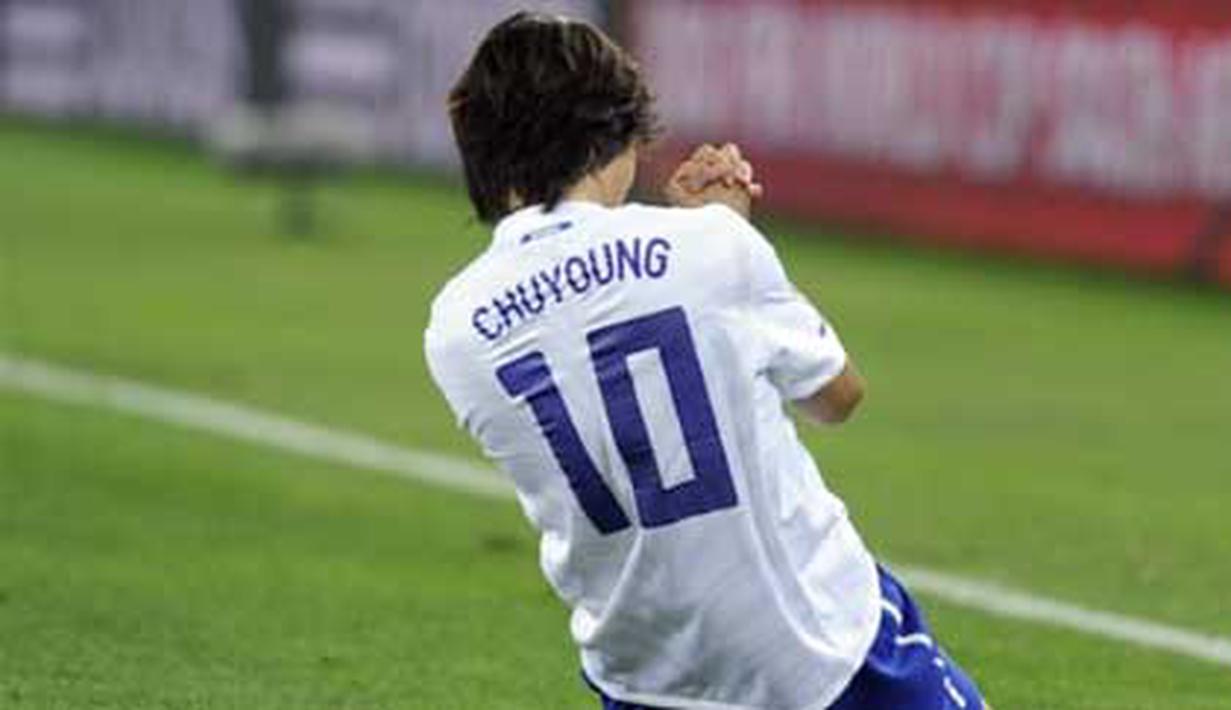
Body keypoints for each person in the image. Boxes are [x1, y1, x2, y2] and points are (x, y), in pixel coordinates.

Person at [425, 11, 989, 710]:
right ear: (615, 134)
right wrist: (724, 229)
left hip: (646, 679)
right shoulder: (710, 248)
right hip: (815, 651)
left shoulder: (456, 326)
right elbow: (835, 398)